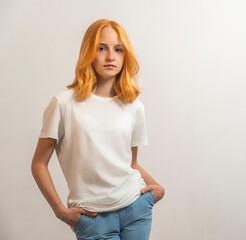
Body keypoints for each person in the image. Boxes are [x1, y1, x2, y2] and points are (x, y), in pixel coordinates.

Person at [31, 18, 165, 240]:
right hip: (93, 219)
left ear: (125, 55)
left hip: (135, 209)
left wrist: (157, 189)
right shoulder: (63, 103)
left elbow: (130, 163)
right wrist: (60, 212)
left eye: (118, 49)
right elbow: (38, 164)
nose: (110, 56)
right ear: (88, 53)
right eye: (101, 48)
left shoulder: (134, 107)